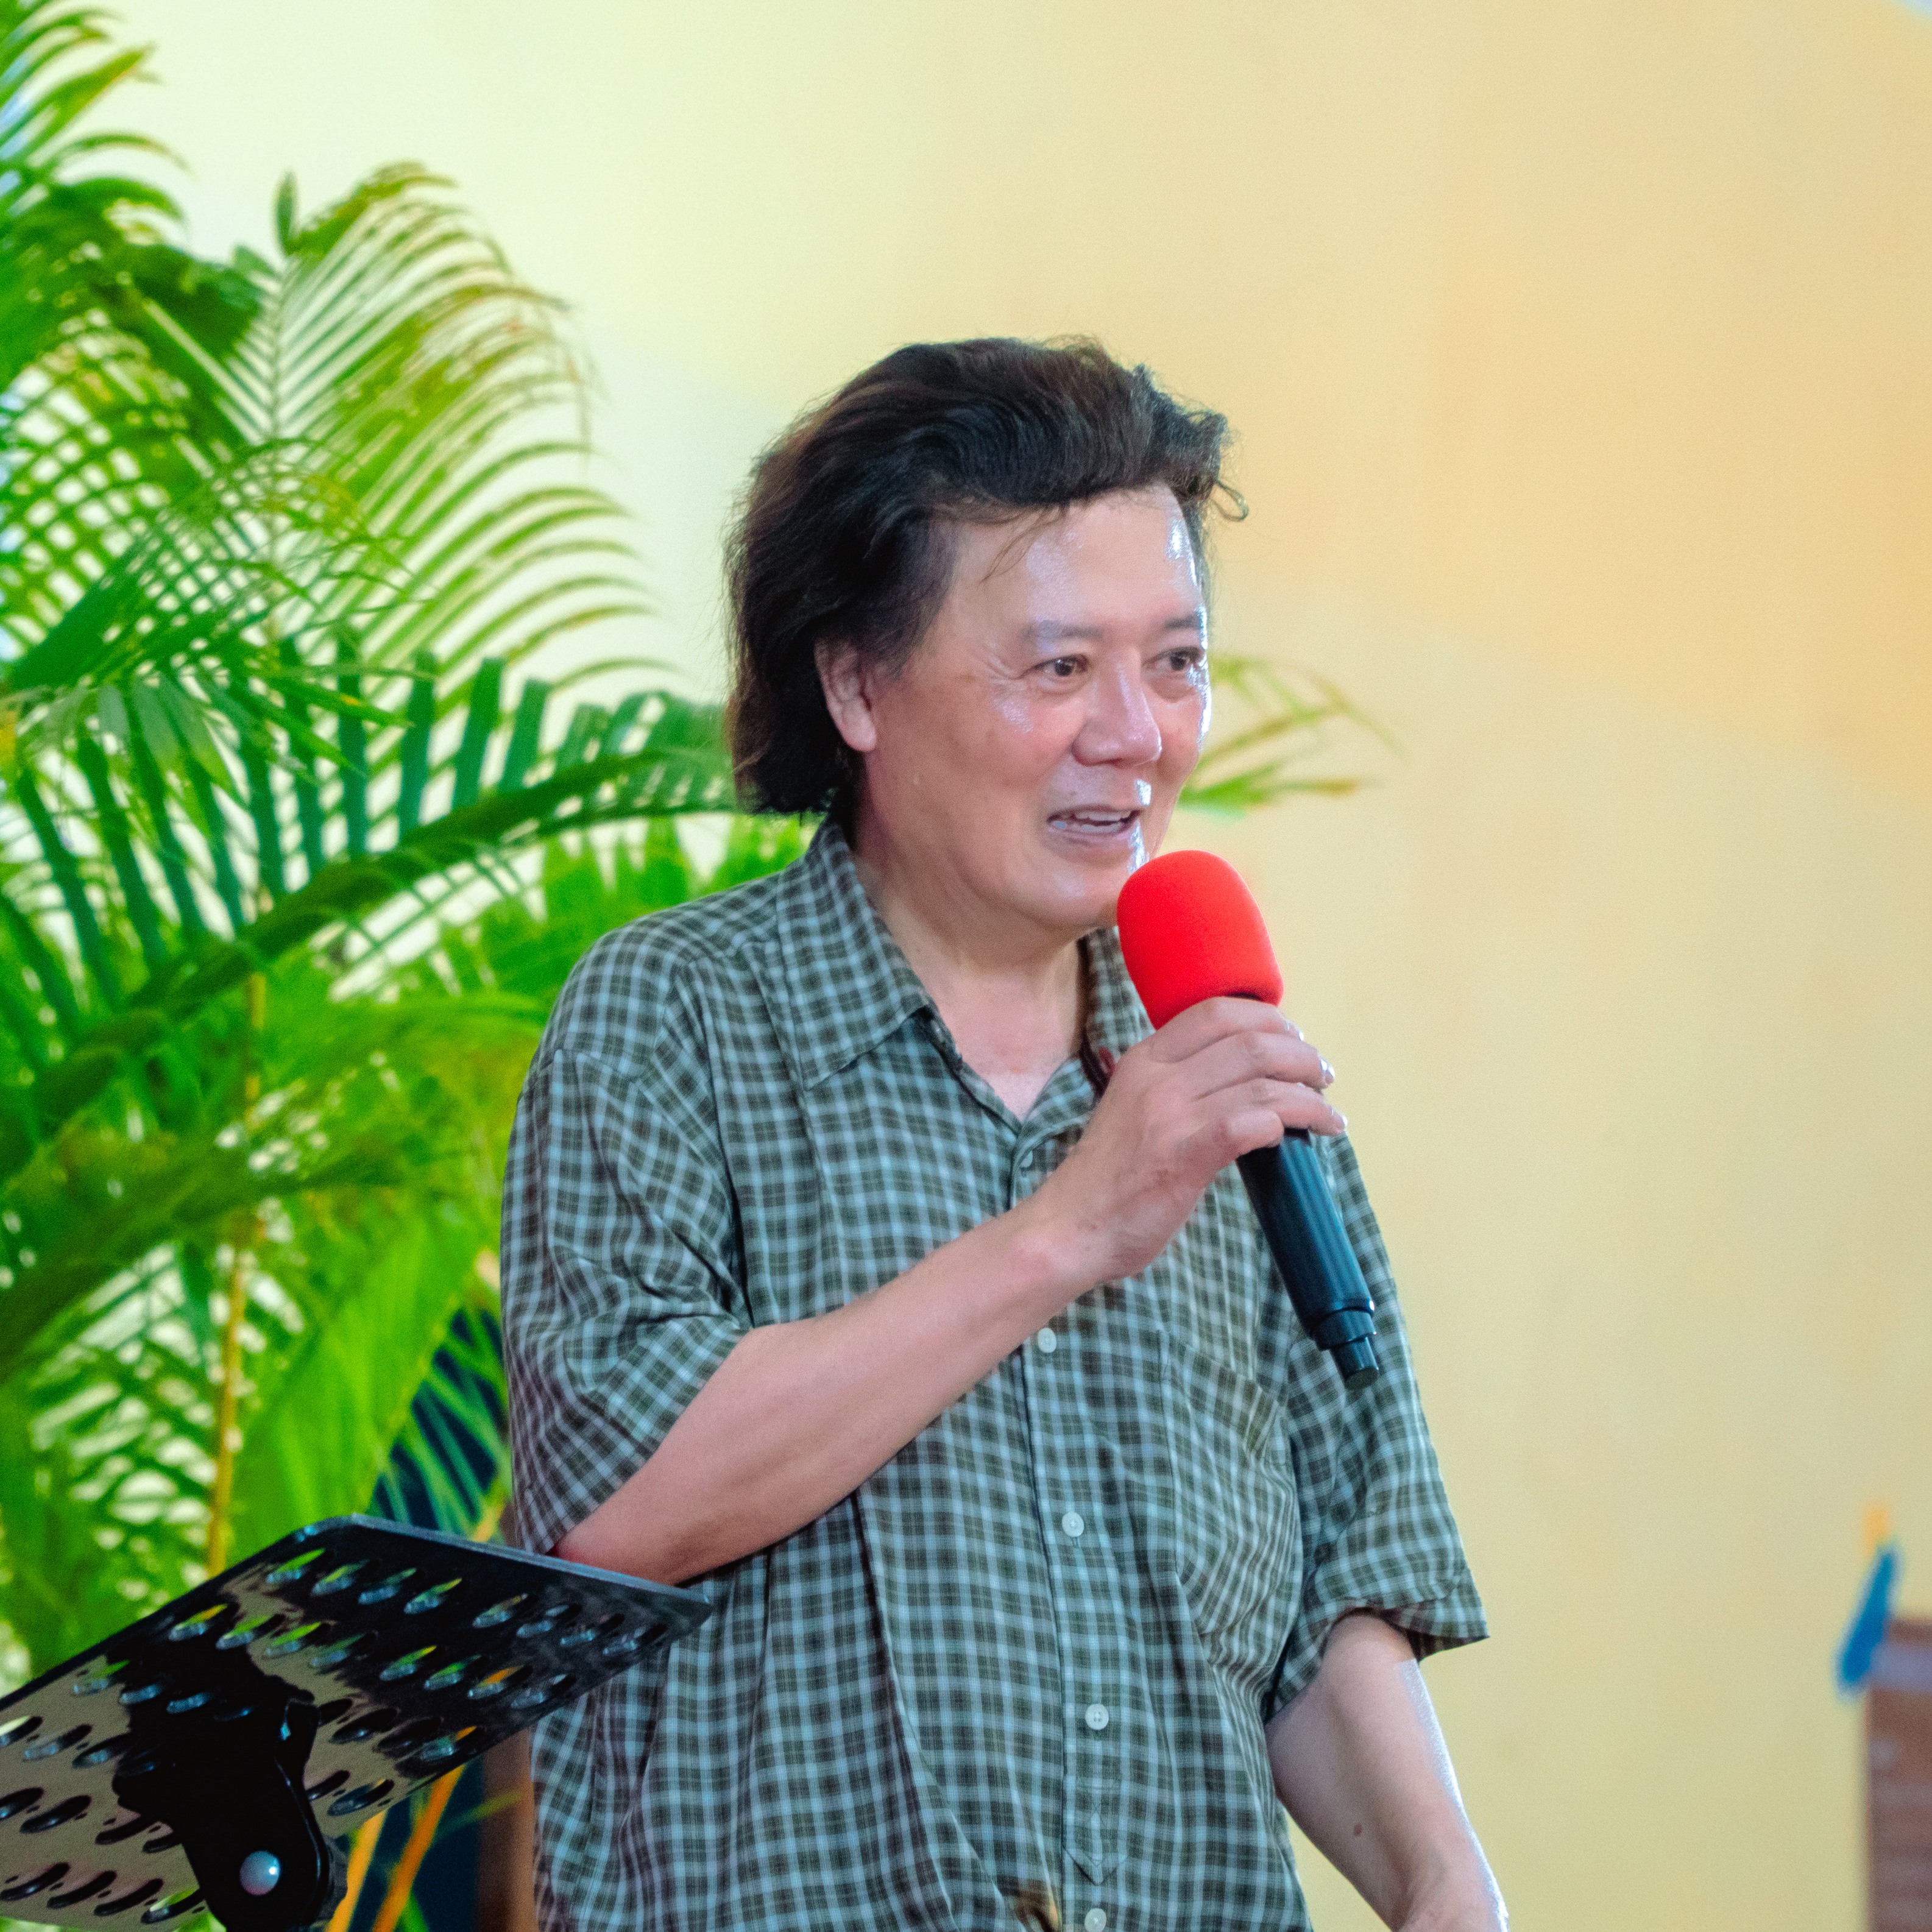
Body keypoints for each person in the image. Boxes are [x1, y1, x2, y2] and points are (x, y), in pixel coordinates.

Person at [501, 338, 1506, 1932]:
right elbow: (616, 1501)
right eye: (1058, 669)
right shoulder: (677, 1017)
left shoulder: (1230, 1073)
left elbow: (1328, 1611)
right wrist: (1065, 1232)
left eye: (1172, 662)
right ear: (855, 683)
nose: (1136, 734)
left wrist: (1453, 1893)